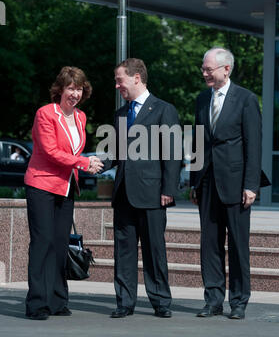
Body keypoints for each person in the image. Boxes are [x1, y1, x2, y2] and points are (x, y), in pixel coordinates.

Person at [24, 66, 103, 320]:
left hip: (66, 187)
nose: (75, 93)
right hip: (42, 185)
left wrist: (86, 164)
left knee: (60, 245)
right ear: (60, 89)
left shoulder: (80, 117)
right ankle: (37, 303)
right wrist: (84, 162)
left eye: (79, 88)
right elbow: (49, 152)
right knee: (42, 243)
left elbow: (72, 152)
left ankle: (58, 300)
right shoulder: (45, 113)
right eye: (70, 88)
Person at [105, 58, 181, 318]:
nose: (117, 85)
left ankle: (161, 301)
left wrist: (168, 190)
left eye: (119, 80)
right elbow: (114, 153)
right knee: (123, 251)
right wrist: (89, 164)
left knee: (154, 251)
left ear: (136, 78)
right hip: (124, 194)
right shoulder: (121, 114)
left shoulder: (163, 110)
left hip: (152, 195)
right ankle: (124, 302)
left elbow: (173, 154)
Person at [190, 47, 262, 320]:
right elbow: (198, 143)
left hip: (236, 185)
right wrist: (195, 182)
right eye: (204, 68)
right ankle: (213, 299)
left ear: (226, 69)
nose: (204, 73)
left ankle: (239, 301)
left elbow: (253, 145)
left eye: (209, 69)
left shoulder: (245, 99)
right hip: (207, 183)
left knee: (238, 245)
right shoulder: (201, 99)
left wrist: (251, 185)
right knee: (209, 244)